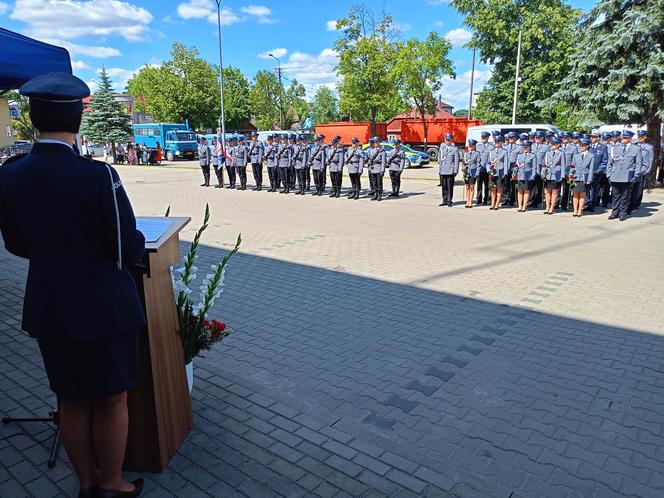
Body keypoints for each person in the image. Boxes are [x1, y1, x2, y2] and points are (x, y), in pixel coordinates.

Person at [0, 72, 145, 498]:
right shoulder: (97, 175)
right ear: (77, 120)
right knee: (113, 399)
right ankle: (113, 483)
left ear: (35, 119)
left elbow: (16, 244)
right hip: (104, 307)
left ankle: (85, 485)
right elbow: (124, 246)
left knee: (72, 400)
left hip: (50, 305)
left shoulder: (10, 174)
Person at [607, 130, 642, 221]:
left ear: (630, 139)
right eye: (623, 137)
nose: (623, 139)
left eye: (625, 137)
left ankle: (622, 213)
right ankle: (615, 212)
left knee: (625, 196)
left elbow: (638, 164)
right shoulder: (615, 148)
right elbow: (610, 163)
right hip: (615, 175)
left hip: (627, 176)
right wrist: (609, 174)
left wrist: (636, 175)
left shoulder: (636, 149)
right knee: (615, 196)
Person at [583, 132, 608, 212]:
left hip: (596, 172)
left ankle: (592, 205)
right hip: (587, 171)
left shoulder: (603, 147)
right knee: (586, 189)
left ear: (598, 138)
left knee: (594, 189)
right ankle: (586, 203)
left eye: (593, 137)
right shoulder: (588, 146)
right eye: (591, 137)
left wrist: (600, 170)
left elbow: (604, 160)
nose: (591, 138)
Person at [570, 139, 594, 217]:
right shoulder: (576, 155)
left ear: (587, 146)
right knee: (575, 194)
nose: (581, 147)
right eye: (580, 145)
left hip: (584, 177)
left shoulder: (591, 156)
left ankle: (580, 210)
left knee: (582, 195)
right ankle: (575, 210)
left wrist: (589, 179)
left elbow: (591, 169)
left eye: (583, 145)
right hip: (576, 177)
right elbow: (572, 167)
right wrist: (570, 176)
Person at [542, 138, 566, 214]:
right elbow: (544, 164)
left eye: (554, 144)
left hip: (556, 175)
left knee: (554, 192)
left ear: (558, 145)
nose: (552, 145)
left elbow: (563, 165)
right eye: (552, 144)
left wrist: (562, 176)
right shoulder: (547, 153)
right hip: (548, 174)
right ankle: (547, 207)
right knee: (547, 191)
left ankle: (552, 208)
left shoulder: (561, 153)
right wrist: (543, 173)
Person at [630, 129, 653, 212]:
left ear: (645, 137)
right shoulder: (633, 145)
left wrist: (647, 171)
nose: (640, 138)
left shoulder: (649, 147)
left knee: (639, 189)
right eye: (639, 136)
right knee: (631, 188)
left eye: (642, 136)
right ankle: (630, 203)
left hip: (642, 170)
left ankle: (636, 204)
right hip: (633, 169)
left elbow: (650, 160)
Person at [437, 133, 460, 207]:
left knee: (450, 186)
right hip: (443, 170)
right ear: (444, 140)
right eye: (446, 140)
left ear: (451, 140)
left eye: (449, 140)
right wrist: (440, 169)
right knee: (444, 186)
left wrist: (455, 171)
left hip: (450, 170)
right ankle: (444, 200)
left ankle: (449, 200)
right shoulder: (442, 148)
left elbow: (456, 161)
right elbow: (439, 159)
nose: (447, 141)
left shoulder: (454, 149)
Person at [515, 140, 537, 212]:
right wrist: (514, 174)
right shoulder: (519, 155)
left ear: (530, 147)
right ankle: (520, 206)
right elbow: (516, 166)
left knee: (526, 191)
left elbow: (534, 167)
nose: (525, 148)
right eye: (524, 147)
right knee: (520, 191)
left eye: (526, 147)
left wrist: (532, 176)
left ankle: (524, 206)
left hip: (528, 176)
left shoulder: (533, 156)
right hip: (520, 175)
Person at [487, 135, 509, 210]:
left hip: (500, 172)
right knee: (493, 188)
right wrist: (489, 171)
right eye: (495, 141)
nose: (496, 143)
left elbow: (506, 163)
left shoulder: (504, 152)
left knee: (499, 188)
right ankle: (492, 203)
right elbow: (488, 163)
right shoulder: (491, 152)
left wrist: (505, 173)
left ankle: (497, 204)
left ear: (501, 142)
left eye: (498, 141)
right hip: (492, 173)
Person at [475, 131, 492, 205]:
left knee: (486, 185)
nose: (483, 138)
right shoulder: (478, 146)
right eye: (482, 137)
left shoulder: (491, 147)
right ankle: (478, 199)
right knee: (479, 185)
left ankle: (486, 199)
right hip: (479, 169)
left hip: (486, 169)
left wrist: (491, 170)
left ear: (488, 138)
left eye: (484, 137)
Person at [463, 139, 480, 208]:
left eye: (472, 145)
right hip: (466, 172)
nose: (470, 146)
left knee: (472, 187)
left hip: (473, 171)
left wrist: (477, 173)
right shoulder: (466, 153)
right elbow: (463, 162)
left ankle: (470, 201)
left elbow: (478, 164)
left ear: (474, 146)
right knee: (467, 187)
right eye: (470, 145)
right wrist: (463, 169)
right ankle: (467, 201)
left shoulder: (477, 153)